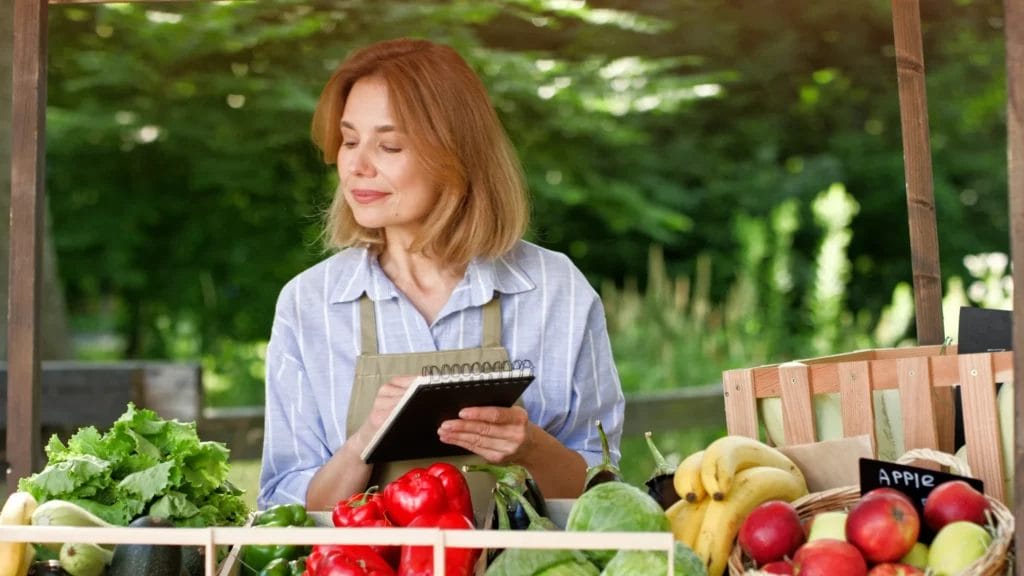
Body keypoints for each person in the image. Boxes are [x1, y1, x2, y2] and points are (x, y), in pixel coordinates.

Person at [257, 37, 625, 520]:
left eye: (388, 145)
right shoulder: (309, 303)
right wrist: (363, 444)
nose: (356, 165)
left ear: (457, 155)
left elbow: (605, 494)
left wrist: (531, 446)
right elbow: (283, 505)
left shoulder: (557, 291)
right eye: (349, 141)